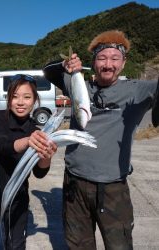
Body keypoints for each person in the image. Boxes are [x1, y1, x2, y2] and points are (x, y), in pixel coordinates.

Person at [43, 30, 159, 250]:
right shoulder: (80, 86)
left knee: (119, 246)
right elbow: (48, 72)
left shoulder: (138, 91)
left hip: (114, 187)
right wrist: (65, 64)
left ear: (123, 63)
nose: (108, 65)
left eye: (115, 59)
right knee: (78, 245)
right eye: (102, 58)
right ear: (93, 62)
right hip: (75, 183)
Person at [0, 74, 58, 250]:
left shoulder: (35, 130)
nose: (20, 102)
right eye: (15, 96)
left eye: (27, 97)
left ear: (35, 100)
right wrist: (28, 142)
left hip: (18, 196)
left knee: (16, 244)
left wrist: (46, 155)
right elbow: (1, 144)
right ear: (8, 98)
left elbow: (39, 173)